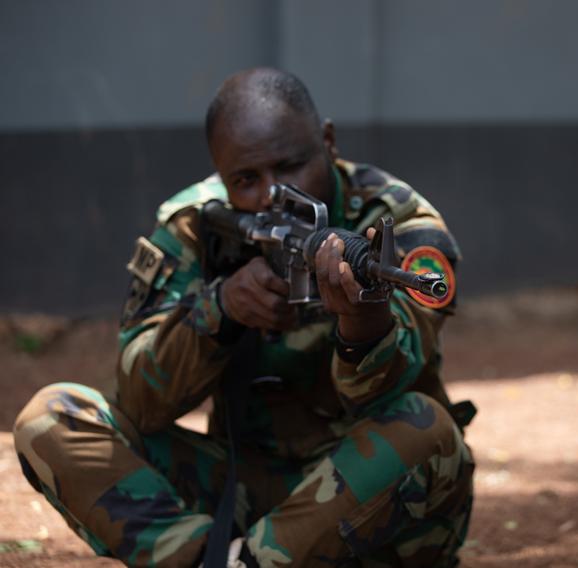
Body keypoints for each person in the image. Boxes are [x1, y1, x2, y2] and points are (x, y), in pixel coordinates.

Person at [13, 67, 475, 567]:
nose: (272, 197)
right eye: (246, 180)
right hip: (241, 491)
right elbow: (141, 402)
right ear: (219, 173)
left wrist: (363, 323)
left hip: (368, 504)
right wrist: (221, 311)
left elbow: (387, 397)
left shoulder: (397, 226)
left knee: (428, 430)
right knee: (53, 418)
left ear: (328, 141)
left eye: (291, 166)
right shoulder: (197, 225)